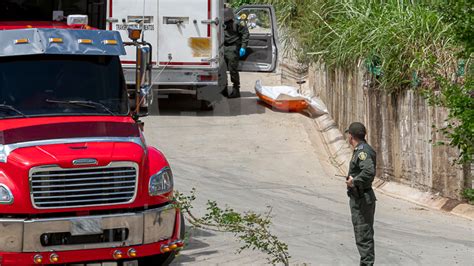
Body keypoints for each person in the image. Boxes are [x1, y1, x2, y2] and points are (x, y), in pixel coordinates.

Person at [345, 122, 377, 266]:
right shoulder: (362, 149)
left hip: (362, 198)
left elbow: (369, 171)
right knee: (362, 235)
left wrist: (354, 181)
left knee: (363, 235)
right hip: (361, 196)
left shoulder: (362, 152)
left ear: (351, 136)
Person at [223, 7, 249, 98]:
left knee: (232, 70)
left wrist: (243, 47)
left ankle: (236, 90)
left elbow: (245, 33)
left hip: (233, 47)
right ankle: (224, 89)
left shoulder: (238, 21)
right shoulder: (221, 20)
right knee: (222, 70)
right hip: (222, 47)